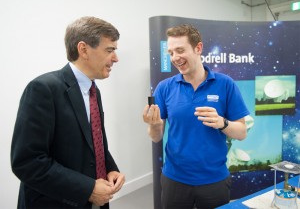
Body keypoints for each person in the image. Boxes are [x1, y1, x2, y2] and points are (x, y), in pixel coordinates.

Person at [11, 16, 125, 209]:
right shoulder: (43, 89)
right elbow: (28, 162)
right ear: (83, 49)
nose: (116, 58)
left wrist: (110, 168)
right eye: (110, 50)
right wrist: (87, 188)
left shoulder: (93, 91)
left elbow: (94, 142)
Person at [143, 24, 250, 209]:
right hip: (174, 179)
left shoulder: (225, 84)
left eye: (180, 50)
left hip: (214, 180)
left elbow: (241, 133)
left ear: (198, 48)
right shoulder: (164, 87)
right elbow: (156, 137)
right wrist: (153, 125)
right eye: (171, 52)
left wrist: (222, 123)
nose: (175, 58)